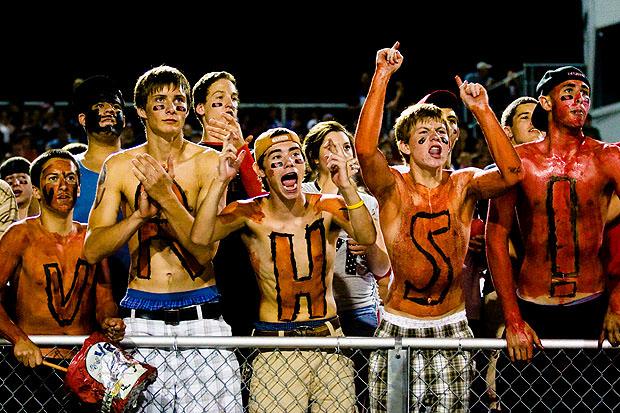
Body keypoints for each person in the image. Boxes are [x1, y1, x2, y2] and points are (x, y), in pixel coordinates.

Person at [354, 42, 523, 413]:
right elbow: (365, 151)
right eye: (424, 135)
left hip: (452, 323)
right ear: (403, 146)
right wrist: (382, 76)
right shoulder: (392, 187)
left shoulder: (465, 183)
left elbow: (513, 173)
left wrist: (481, 109)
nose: (437, 138)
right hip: (400, 324)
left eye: (442, 133)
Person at [83, 65, 243, 413]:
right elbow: (92, 249)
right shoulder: (120, 165)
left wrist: (165, 197)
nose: (172, 109)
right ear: (140, 110)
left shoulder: (211, 163)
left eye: (179, 101)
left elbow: (205, 251)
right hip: (141, 320)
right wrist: (139, 216)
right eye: (161, 101)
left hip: (203, 319)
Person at [190, 127, 377, 413]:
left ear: (304, 164)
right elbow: (200, 237)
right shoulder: (248, 212)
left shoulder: (328, 205)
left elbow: (366, 237)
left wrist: (348, 186)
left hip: (329, 340)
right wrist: (220, 181)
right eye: (276, 158)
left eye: (295, 156)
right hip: (275, 344)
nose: (288, 163)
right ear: (260, 171)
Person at [486, 66, 620, 411]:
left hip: (592, 307)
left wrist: (618, 302)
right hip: (533, 310)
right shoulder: (519, 161)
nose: (581, 99)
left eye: (585, 93)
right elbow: (495, 237)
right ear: (545, 101)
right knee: (525, 404)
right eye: (569, 92)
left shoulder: (608, 157)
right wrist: (513, 318)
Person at [0, 149, 124, 412]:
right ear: (36, 190)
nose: (63, 185)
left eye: (69, 177)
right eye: (53, 178)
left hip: (84, 367)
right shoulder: (19, 235)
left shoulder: (91, 239)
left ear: (79, 188)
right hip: (33, 367)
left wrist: (110, 322)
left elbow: (104, 299)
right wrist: (17, 338)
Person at [302, 120, 391, 411]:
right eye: (329, 146)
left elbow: (381, 269)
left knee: (362, 399)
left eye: (345, 147)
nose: (338, 152)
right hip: (312, 316)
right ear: (314, 157)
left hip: (359, 313)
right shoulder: (300, 194)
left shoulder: (366, 201)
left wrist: (369, 246)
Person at [193, 71, 263, 336]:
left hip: (248, 269)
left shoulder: (250, 155)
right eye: (219, 99)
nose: (230, 105)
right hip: (208, 269)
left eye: (233, 99)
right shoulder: (192, 156)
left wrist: (241, 147)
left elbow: (262, 204)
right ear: (200, 108)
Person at [71, 75, 130, 304]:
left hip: (136, 295)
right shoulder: (64, 172)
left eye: (115, 106)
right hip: (77, 293)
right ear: (83, 119)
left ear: (124, 119)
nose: (108, 110)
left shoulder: (143, 166)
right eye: (99, 106)